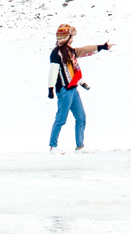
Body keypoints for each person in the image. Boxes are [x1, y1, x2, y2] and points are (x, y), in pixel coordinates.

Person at [47, 23, 113, 152]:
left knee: (81, 117)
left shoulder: (71, 52)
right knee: (61, 119)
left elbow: (84, 50)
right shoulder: (56, 53)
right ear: (65, 37)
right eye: (71, 37)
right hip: (64, 90)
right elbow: (53, 71)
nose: (72, 40)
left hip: (73, 90)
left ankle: (80, 146)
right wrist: (50, 89)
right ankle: (53, 146)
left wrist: (102, 47)